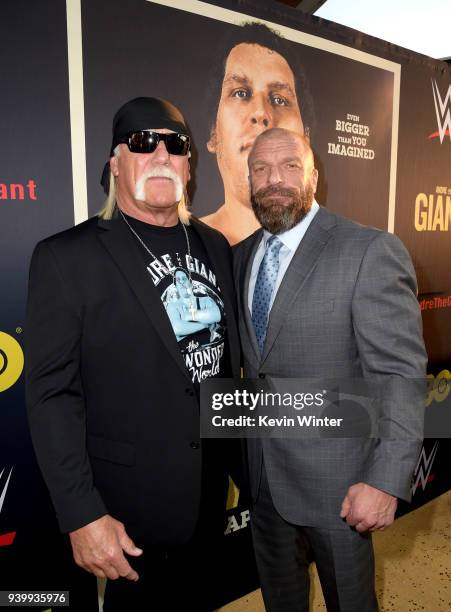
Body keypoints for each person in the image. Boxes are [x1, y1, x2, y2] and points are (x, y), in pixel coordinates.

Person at [25, 97, 240, 611]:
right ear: (115, 163)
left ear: (190, 165)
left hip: (208, 500)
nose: (162, 154)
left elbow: (223, 370)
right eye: (144, 142)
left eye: (176, 145)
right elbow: (52, 396)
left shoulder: (214, 245)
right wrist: (81, 515)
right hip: (126, 511)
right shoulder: (65, 258)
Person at [233, 127, 427, 611]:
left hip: (341, 485)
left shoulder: (368, 250)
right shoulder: (238, 257)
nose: (274, 179)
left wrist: (384, 479)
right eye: (261, 169)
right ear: (248, 179)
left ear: (314, 175)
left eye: (290, 166)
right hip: (262, 483)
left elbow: (399, 376)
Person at [201, 22, 313, 245]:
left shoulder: (356, 253)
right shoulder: (184, 248)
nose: (261, 113)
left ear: (306, 139)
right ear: (214, 133)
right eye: (241, 93)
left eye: (280, 100)